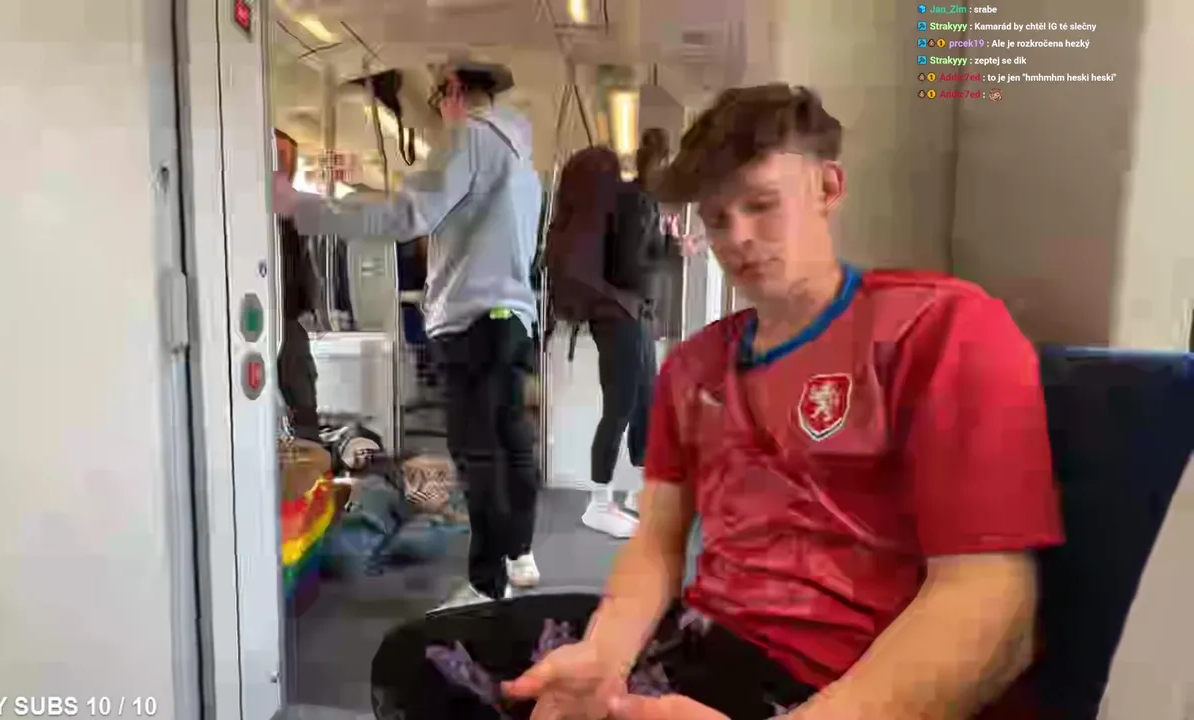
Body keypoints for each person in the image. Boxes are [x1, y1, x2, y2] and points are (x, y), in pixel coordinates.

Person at [368, 83, 1063, 719]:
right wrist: (607, 656)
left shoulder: (938, 329)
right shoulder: (695, 367)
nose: (739, 239)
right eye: (718, 217)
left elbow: (995, 603)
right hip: (705, 640)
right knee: (415, 664)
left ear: (827, 187)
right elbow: (658, 541)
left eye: (761, 205)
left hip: (847, 681)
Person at [273, 61, 544, 608]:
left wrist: (302, 208)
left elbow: (406, 217)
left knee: (479, 456)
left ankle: (486, 586)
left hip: (472, 322)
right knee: (512, 445)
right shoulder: (523, 161)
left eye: (440, 99)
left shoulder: (470, 137)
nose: (441, 111)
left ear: (455, 91)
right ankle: (519, 554)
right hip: (513, 319)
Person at [581, 129, 675, 539]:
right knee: (620, 406)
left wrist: (668, 244)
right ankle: (598, 503)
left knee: (644, 403)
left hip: (635, 315)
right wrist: (668, 247)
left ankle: (640, 491)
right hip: (619, 315)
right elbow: (632, 269)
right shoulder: (635, 203)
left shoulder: (644, 201)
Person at [273, 129, 322, 443]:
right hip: (266, 312)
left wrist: (308, 305)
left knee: (301, 390)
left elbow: (301, 262)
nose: (283, 164)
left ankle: (308, 455)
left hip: (290, 316)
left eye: (288, 157)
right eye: (278, 155)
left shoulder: (292, 209)